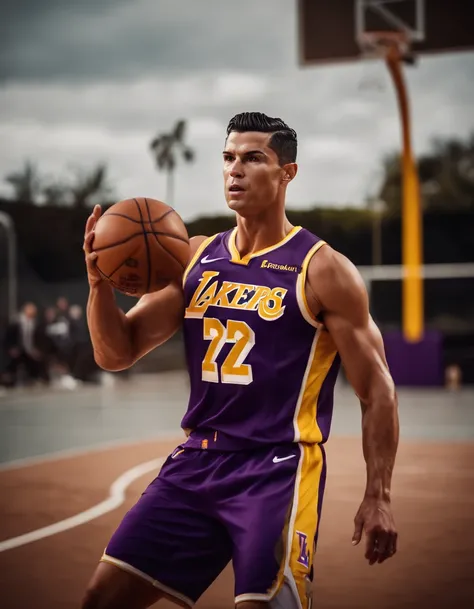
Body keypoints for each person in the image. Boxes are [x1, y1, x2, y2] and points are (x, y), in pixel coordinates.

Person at [81, 112, 399, 609]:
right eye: (229, 158)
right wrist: (99, 285)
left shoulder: (323, 270)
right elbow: (117, 353)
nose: (236, 170)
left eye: (254, 158)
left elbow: (376, 389)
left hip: (275, 469)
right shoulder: (194, 257)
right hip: (197, 464)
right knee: (101, 599)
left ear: (287, 173)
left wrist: (378, 494)